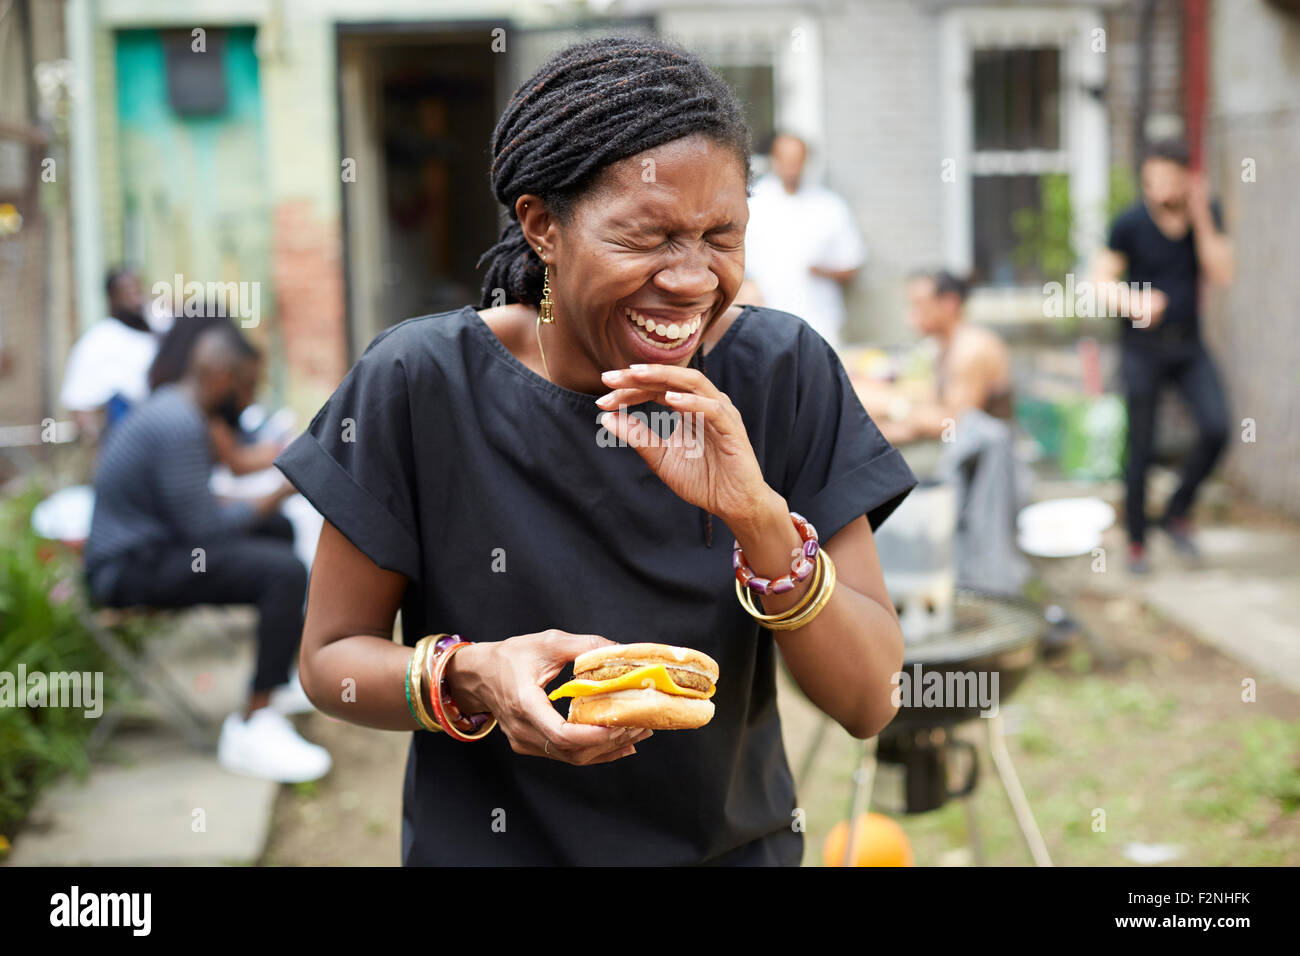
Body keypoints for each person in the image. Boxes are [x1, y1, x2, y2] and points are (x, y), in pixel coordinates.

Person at [275, 34, 916, 866]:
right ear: (541, 225)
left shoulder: (779, 374)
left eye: (722, 236)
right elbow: (330, 662)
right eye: (648, 238)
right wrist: (470, 677)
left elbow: (871, 700)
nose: (692, 280)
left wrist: (756, 516)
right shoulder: (421, 382)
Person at [84, 324, 329, 782]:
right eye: (245, 384)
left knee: (275, 531)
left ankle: (279, 678)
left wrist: (267, 505)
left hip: (153, 547)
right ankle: (253, 723)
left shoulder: (175, 410)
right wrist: (283, 490)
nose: (248, 395)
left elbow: (191, 509)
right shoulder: (179, 423)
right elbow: (203, 532)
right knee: (284, 572)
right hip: (126, 569)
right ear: (218, 375)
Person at [1092, 138, 1234, 574]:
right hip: (1142, 347)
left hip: (1188, 344)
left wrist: (1202, 218)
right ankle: (1137, 541)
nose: (1159, 189)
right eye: (1151, 180)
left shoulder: (1205, 214)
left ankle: (1177, 511)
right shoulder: (1129, 224)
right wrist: (1133, 301)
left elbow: (1223, 273)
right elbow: (1098, 282)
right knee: (1141, 445)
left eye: (1169, 179)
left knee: (1217, 427)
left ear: (1187, 178)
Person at [855, 270, 1012, 446]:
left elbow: (954, 426)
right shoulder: (944, 346)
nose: (911, 314)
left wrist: (893, 407)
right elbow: (932, 406)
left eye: (919, 304)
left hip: (979, 462)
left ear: (949, 303)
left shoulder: (971, 350)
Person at [741, 132, 866, 351]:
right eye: (786, 158)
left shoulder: (829, 206)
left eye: (797, 159)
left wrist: (823, 271)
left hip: (820, 321)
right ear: (774, 159)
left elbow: (852, 264)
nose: (792, 166)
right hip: (764, 320)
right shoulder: (752, 203)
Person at [59, 269, 165, 445]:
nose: (137, 299)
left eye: (139, 291)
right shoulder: (98, 341)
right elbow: (79, 406)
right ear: (112, 298)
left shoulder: (161, 329)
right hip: (127, 435)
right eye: (128, 293)